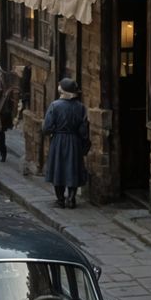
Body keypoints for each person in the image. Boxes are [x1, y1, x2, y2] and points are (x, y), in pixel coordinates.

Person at [42, 77, 91, 207]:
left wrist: (53, 131)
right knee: (72, 168)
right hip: (74, 140)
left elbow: (46, 127)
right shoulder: (80, 107)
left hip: (58, 139)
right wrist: (84, 144)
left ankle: (60, 199)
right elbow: (83, 129)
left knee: (58, 168)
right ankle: (71, 198)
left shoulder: (55, 105)